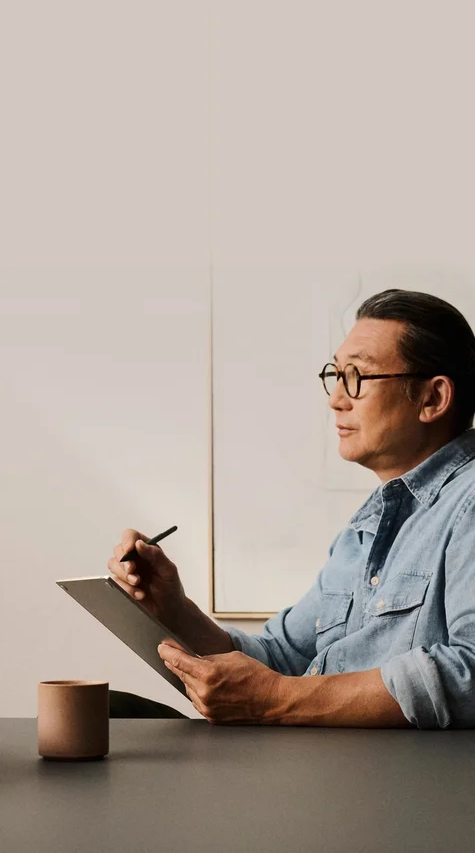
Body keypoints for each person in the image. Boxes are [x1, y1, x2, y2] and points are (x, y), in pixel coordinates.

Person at [109, 288, 475, 729]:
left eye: (357, 376)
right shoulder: (367, 528)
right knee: (116, 710)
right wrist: (173, 608)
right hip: (328, 771)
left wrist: (279, 700)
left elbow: (469, 672)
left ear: (433, 399)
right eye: (334, 375)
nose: (336, 398)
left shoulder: (468, 504)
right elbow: (280, 660)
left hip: (406, 789)